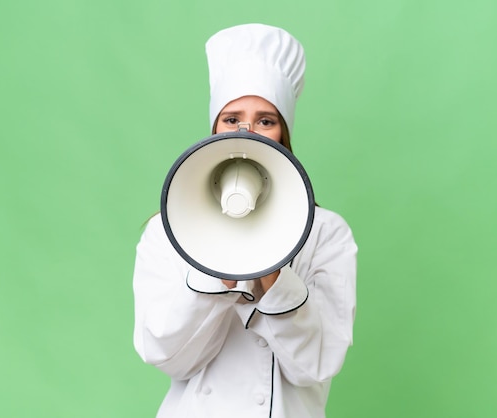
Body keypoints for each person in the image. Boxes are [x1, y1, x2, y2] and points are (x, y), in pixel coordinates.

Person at [133, 23, 358, 418]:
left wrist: (273, 271)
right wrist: (216, 267)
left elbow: (315, 367)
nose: (247, 132)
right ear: (214, 130)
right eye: (232, 118)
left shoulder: (327, 233)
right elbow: (165, 356)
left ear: (284, 134)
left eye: (265, 120)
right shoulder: (167, 233)